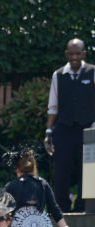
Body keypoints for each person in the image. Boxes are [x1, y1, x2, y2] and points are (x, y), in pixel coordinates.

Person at [46, 39, 94, 213]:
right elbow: (53, 106)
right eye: (71, 54)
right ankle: (61, 209)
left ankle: (84, 207)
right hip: (64, 127)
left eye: (78, 53)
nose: (74, 57)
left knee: (87, 169)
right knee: (61, 169)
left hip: (87, 128)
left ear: (84, 54)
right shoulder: (58, 74)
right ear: (66, 54)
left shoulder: (92, 72)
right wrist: (48, 131)